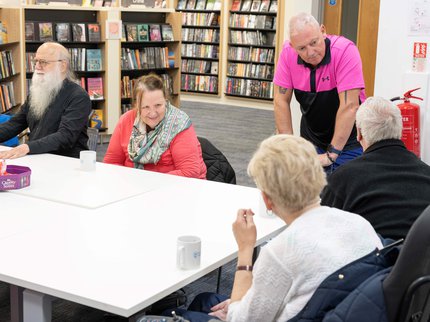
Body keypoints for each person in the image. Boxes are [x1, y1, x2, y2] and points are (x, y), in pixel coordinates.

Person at [166, 135, 382, 322]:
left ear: (267, 200)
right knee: (205, 300)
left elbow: (240, 319)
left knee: (178, 312)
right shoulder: (359, 224)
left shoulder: (281, 252)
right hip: (331, 310)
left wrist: (245, 249)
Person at [321, 97, 430, 240]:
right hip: (421, 260)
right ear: (400, 130)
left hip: (373, 259)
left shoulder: (342, 179)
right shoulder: (426, 173)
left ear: (359, 133)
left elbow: (322, 231)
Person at [273, 12, 366, 173]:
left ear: (323, 31)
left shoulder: (344, 51)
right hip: (312, 138)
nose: (310, 52)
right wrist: (289, 148)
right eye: (301, 48)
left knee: (343, 192)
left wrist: (332, 154)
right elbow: (280, 100)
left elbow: (350, 106)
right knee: (306, 191)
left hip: (351, 140)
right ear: (293, 46)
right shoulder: (288, 53)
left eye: (314, 43)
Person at [104, 74, 206, 179]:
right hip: (133, 187)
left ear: (166, 101)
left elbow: (190, 172)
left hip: (177, 188)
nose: (153, 113)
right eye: (145, 107)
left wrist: (147, 182)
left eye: (158, 105)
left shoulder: (179, 123)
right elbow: (111, 163)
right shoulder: (126, 120)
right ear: (137, 106)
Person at [0, 42, 91, 159]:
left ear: (62, 66)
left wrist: (27, 147)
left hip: (66, 163)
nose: (37, 66)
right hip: (37, 157)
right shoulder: (38, 93)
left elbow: (65, 136)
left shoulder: (78, 96)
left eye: (43, 62)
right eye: (36, 62)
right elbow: (15, 124)